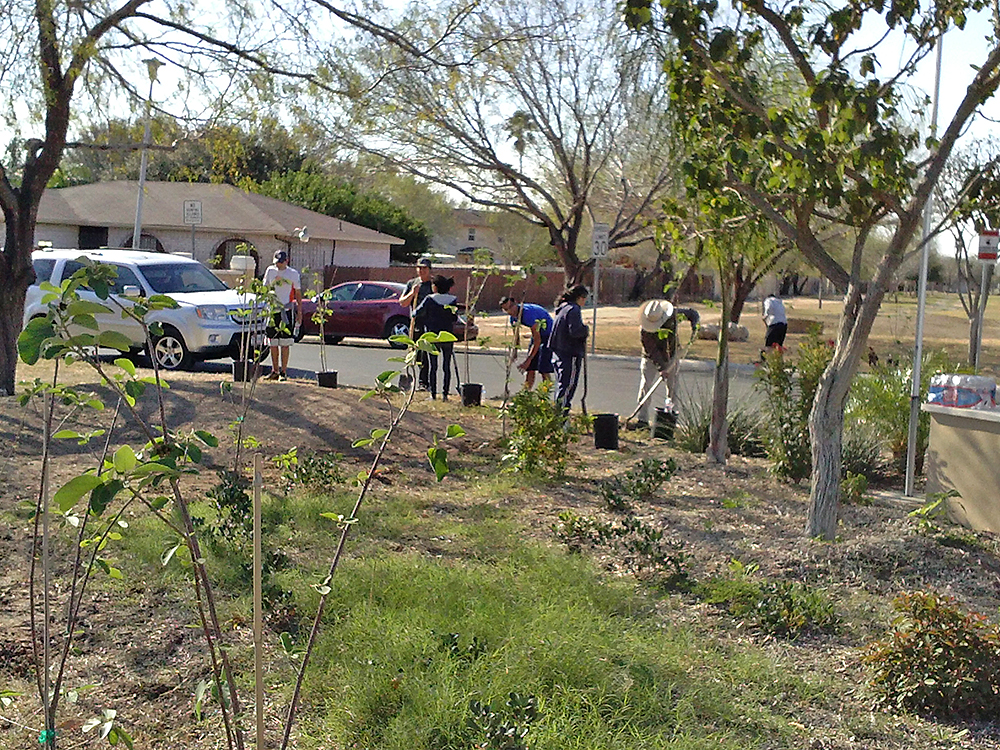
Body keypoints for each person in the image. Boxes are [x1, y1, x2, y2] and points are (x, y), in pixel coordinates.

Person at [634, 299, 678, 430]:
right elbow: (652, 351)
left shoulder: (672, 315)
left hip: (671, 357)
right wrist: (662, 368)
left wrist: (695, 322)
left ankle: (669, 420)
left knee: (673, 389)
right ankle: (642, 420)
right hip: (650, 359)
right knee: (646, 386)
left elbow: (690, 313)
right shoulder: (644, 331)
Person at [414, 275, 459, 400]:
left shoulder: (429, 299)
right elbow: (454, 317)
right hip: (447, 336)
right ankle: (445, 394)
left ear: (435, 287)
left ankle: (433, 394)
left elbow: (416, 312)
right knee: (446, 366)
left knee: (433, 366)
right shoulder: (453, 299)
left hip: (432, 336)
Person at [548, 285, 589, 415]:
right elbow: (575, 331)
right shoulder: (573, 309)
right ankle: (561, 418)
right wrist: (585, 330)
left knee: (561, 386)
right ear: (579, 297)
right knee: (567, 387)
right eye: (584, 298)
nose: (584, 302)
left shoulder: (562, 308)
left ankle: (557, 415)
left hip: (558, 352)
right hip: (569, 353)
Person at [499, 296, 554, 389]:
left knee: (543, 369)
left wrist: (527, 361)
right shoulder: (513, 318)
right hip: (537, 335)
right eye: (506, 309)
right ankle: (525, 395)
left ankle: (545, 396)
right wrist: (515, 352)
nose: (510, 311)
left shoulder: (528, 314)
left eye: (511, 307)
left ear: (516, 303)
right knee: (530, 369)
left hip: (549, 335)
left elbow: (537, 340)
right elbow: (516, 337)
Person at [263, 250, 302, 382]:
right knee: (273, 342)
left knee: (285, 343)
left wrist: (299, 312)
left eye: (281, 263)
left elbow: (297, 294)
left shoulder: (293, 274)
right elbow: (265, 288)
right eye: (276, 263)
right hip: (273, 309)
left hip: (286, 309)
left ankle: (283, 371)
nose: (278, 265)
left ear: (287, 261)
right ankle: (274, 370)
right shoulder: (270, 271)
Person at [399, 257, 434, 388]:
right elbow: (402, 302)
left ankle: (424, 382)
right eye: (419, 268)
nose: (421, 270)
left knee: (426, 354)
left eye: (424, 268)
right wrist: (413, 293)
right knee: (414, 351)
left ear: (429, 270)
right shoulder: (412, 283)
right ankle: (412, 379)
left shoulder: (433, 284)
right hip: (415, 322)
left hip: (430, 322)